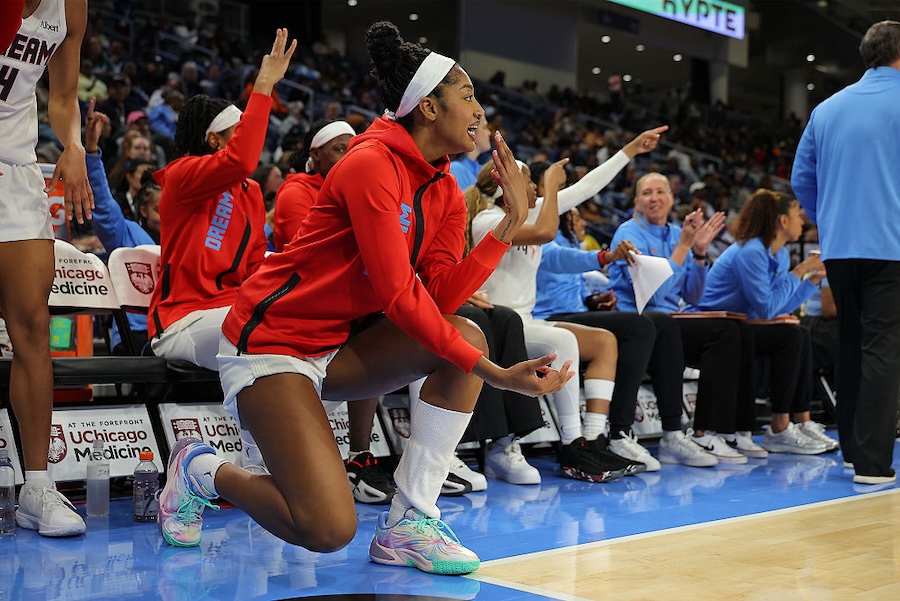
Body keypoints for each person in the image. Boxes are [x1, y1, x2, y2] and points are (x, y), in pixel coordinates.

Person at [155, 23, 572, 576]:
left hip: (333, 345)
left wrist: (505, 229)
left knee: (462, 332)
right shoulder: (370, 162)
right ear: (428, 107)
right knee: (327, 529)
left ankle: (410, 521)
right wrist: (495, 373)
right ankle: (201, 470)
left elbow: (441, 293)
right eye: (468, 96)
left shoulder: (443, 187)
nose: (479, 110)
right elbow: (400, 298)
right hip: (270, 342)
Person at [471, 127, 681, 480]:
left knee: (602, 340)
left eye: (538, 187)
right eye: (530, 184)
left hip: (526, 321)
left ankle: (587, 442)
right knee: (566, 342)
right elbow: (547, 232)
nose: (537, 191)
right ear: (505, 185)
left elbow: (585, 189)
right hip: (496, 325)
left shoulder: (529, 214)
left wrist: (629, 150)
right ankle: (554, 444)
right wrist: (552, 186)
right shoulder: (488, 220)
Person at [791, 20, 900, 486]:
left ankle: (855, 454)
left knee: (854, 345)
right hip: (891, 244)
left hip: (840, 246)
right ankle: (874, 463)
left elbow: (801, 181)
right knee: (883, 349)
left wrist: (832, 218)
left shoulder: (826, 109)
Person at [0, 0, 90, 537]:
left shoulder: (70, 6)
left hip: (15, 168)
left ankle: (36, 486)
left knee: (32, 326)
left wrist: (73, 143)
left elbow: (60, 97)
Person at [273, 117, 395, 505]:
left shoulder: (360, 185)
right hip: (301, 301)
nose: (348, 155)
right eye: (338, 149)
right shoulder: (296, 192)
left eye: (352, 148)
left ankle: (364, 457)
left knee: (415, 328)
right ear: (315, 155)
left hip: (344, 301)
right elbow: (313, 258)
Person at [607, 173, 765, 463]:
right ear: (636, 202)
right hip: (641, 321)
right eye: (646, 193)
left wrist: (701, 253)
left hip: (673, 320)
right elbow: (655, 295)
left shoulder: (676, 231)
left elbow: (693, 296)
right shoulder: (629, 235)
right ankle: (703, 431)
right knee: (724, 332)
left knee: (740, 328)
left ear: (671, 198)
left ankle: (735, 429)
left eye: (660, 191)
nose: (654, 197)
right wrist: (684, 248)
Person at [693, 189, 835, 455]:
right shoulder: (752, 251)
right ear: (782, 221)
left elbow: (779, 305)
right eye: (796, 214)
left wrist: (811, 282)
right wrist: (801, 271)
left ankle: (794, 423)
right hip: (711, 324)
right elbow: (767, 308)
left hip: (741, 325)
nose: (802, 220)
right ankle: (778, 428)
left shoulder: (777, 253)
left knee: (798, 332)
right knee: (790, 336)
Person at [83, 99, 159, 354]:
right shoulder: (126, 233)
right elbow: (102, 204)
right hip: (136, 333)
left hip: (176, 327)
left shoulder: (184, 235)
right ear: (145, 210)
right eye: (159, 209)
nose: (166, 214)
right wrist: (92, 151)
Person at [449, 117, 491, 191]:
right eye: (484, 127)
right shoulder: (456, 170)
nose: (489, 133)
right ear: (471, 133)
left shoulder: (481, 170)